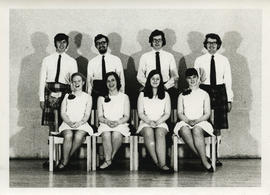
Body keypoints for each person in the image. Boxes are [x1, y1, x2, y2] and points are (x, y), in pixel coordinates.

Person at [194, 33, 233, 166]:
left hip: (220, 91)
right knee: (205, 124)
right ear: (205, 44)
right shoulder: (199, 60)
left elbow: (228, 81)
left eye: (214, 43)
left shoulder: (224, 60)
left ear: (218, 45)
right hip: (205, 91)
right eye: (209, 43)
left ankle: (215, 155)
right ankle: (206, 156)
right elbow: (196, 81)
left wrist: (229, 100)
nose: (211, 45)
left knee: (217, 127)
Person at [39, 33, 78, 167]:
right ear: (54, 43)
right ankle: (52, 158)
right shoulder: (47, 59)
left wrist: (73, 98)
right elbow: (42, 80)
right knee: (52, 127)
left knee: (63, 125)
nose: (61, 45)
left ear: (67, 44)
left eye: (64, 42)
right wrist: (41, 98)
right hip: (49, 91)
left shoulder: (72, 61)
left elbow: (74, 81)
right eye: (59, 42)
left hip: (65, 93)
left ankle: (63, 158)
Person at [173, 68, 214, 172]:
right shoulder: (182, 95)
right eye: (189, 78)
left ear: (198, 78)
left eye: (194, 77)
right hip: (186, 121)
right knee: (183, 129)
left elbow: (207, 113)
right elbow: (180, 113)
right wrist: (187, 120)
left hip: (201, 122)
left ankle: (204, 161)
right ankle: (204, 159)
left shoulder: (204, 94)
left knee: (196, 129)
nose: (192, 80)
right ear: (186, 80)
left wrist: (196, 121)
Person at [55, 72, 93, 171]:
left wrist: (79, 123)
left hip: (82, 124)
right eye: (74, 81)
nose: (76, 83)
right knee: (68, 135)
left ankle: (64, 161)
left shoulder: (88, 97)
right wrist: (69, 122)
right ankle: (66, 161)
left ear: (83, 82)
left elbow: (87, 114)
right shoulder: (67, 96)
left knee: (79, 136)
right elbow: (63, 113)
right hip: (67, 123)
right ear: (71, 83)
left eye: (79, 81)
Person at [137, 69, 172, 172]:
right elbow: (140, 113)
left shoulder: (166, 95)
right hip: (145, 122)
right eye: (153, 79)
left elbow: (167, 113)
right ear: (149, 80)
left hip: (161, 122)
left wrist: (158, 122)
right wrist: (149, 122)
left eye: (158, 79)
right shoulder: (142, 94)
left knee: (160, 133)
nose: (155, 81)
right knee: (148, 132)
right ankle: (159, 163)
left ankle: (162, 163)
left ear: (161, 81)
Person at [96, 72, 130, 170]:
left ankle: (108, 160)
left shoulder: (124, 97)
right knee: (106, 134)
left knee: (116, 134)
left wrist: (117, 122)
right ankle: (109, 160)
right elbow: (100, 116)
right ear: (105, 84)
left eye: (113, 80)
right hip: (105, 124)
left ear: (117, 81)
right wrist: (107, 122)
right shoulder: (101, 98)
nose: (111, 83)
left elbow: (126, 116)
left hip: (120, 124)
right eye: (108, 81)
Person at [136, 29, 179, 108]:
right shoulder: (144, 57)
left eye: (159, 40)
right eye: (154, 40)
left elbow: (175, 76)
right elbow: (140, 76)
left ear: (163, 41)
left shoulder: (169, 56)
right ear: (151, 41)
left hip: (166, 87)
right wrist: (150, 86)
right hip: (150, 87)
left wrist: (165, 87)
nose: (157, 42)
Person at [87, 34, 125, 109]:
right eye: (98, 43)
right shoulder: (92, 62)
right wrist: (89, 98)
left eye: (103, 42)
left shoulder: (116, 60)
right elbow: (89, 82)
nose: (101, 45)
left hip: (113, 90)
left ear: (107, 44)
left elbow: (121, 80)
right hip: (97, 92)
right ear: (95, 46)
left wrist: (121, 95)